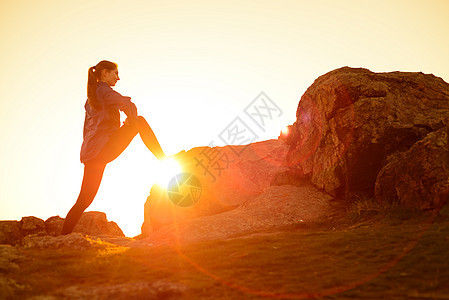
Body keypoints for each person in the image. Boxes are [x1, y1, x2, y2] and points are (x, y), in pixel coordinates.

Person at [60, 60, 166, 235]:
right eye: (115, 73)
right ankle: (164, 161)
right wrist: (131, 121)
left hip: (92, 154)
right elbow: (128, 105)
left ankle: (62, 238)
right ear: (104, 74)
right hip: (104, 149)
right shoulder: (103, 90)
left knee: (84, 201)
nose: (118, 77)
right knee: (140, 122)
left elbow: (87, 130)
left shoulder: (91, 97)